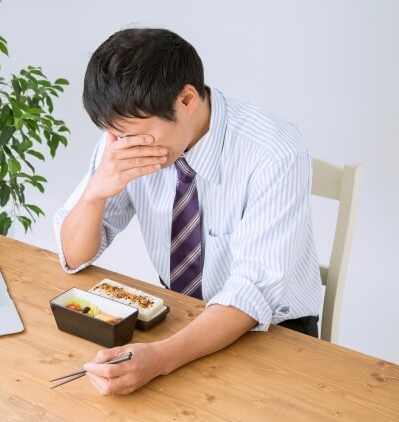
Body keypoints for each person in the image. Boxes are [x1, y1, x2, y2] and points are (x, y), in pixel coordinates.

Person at [53, 27, 322, 396]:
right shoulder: (121, 136)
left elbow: (250, 292)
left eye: (132, 134)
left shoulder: (275, 152)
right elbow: (74, 256)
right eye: (112, 134)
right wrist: (94, 194)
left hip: (274, 333)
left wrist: (160, 359)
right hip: (178, 317)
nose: (120, 145)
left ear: (187, 98)